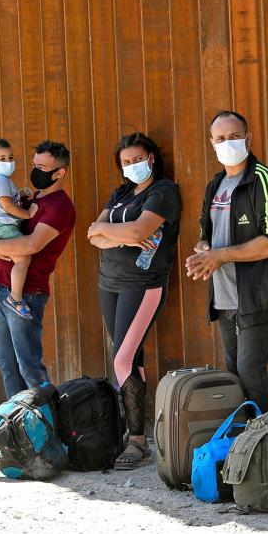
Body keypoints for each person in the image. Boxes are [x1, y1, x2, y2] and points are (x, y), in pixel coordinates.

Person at [87, 133, 182, 469]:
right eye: (126, 162)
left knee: (122, 359)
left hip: (143, 286)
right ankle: (133, 435)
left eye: (137, 159)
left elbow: (135, 233)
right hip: (109, 284)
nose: (132, 166)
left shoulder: (164, 192)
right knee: (131, 359)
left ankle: (138, 441)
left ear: (151, 158)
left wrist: (113, 232)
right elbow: (91, 234)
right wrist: (122, 234)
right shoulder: (123, 193)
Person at [185, 111, 268, 412]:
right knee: (233, 374)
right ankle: (247, 444)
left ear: (248, 138)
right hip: (224, 295)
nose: (228, 143)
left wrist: (219, 255)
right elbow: (205, 234)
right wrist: (204, 251)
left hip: (258, 295)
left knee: (250, 371)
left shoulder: (264, 180)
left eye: (234, 136)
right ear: (212, 143)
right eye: (220, 138)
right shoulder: (214, 184)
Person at [0, 140, 77, 398]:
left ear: (59, 173)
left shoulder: (60, 207)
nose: (35, 171)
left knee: (30, 368)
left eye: (42, 167)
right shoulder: (33, 197)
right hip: (1, 287)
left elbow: (32, 244)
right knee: (6, 364)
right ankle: (18, 425)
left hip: (27, 294)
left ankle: (47, 427)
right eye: (34, 165)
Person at [0, 138, 38, 319]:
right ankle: (16, 298)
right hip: (2, 225)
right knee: (23, 258)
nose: (8, 162)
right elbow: (7, 206)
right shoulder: (1, 181)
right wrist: (28, 214)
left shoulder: (0, 180)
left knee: (2, 254)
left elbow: (6, 199)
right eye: (2, 159)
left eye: (10, 157)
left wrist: (19, 193)